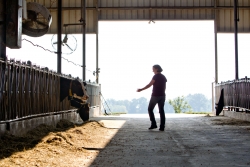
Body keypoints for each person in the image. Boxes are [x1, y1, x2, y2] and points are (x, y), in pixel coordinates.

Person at [137, 65, 167, 131]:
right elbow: (164, 87)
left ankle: (154, 124)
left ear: (156, 69)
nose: (152, 70)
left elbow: (149, 85)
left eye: (153, 69)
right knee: (161, 111)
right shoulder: (163, 76)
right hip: (162, 96)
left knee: (150, 109)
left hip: (155, 95)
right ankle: (162, 127)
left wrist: (141, 89)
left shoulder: (156, 76)